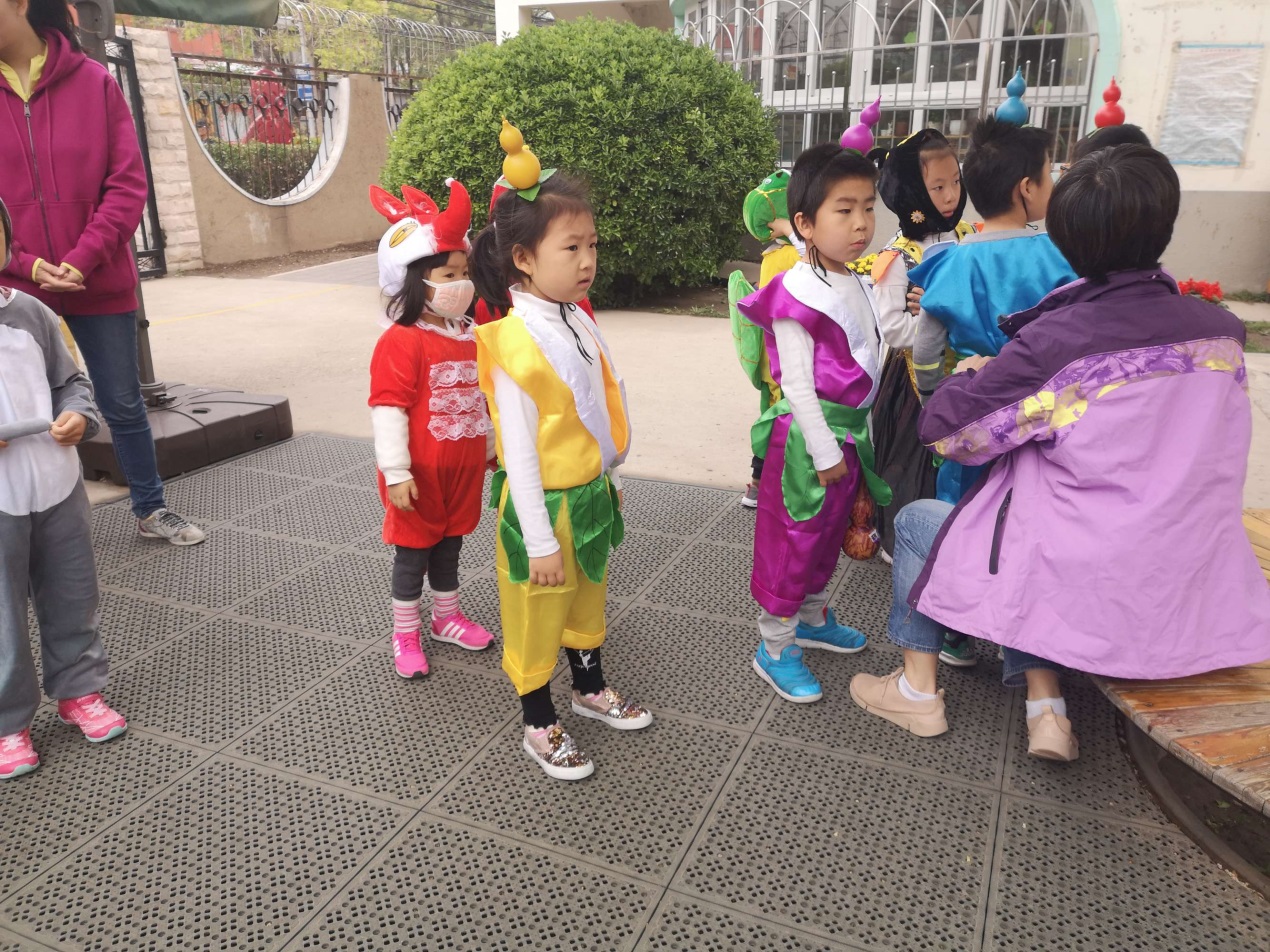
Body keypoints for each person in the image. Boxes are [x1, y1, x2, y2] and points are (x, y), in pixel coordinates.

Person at [850, 144, 1270, 761]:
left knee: (928, 522)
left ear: (1067, 237)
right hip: (1192, 572)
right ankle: (1045, 707)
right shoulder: (1223, 334)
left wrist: (974, 374)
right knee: (1031, 512)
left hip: (1085, 570)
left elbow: (946, 431)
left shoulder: (1053, 339)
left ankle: (917, 689)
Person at [471, 149, 651, 781]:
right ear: (524, 259)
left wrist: (609, 478)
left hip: (589, 496)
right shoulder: (514, 342)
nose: (587, 260)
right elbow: (518, 452)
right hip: (542, 508)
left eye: (592, 245)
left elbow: (595, 409)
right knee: (536, 612)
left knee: (586, 600)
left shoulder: (575, 318)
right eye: (571, 248)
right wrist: (540, 539)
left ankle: (588, 687)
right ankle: (538, 720)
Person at [0, 0, 203, 545]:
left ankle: (151, 508)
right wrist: (25, 263)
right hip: (16, 290)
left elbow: (127, 182)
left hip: (98, 278)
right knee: (21, 409)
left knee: (121, 402)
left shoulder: (94, 82)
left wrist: (83, 257)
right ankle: (37, 527)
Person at [736, 133, 893, 704]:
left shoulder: (858, 279)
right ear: (804, 223)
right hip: (808, 443)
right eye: (844, 210)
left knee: (826, 535)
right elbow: (797, 384)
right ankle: (775, 646)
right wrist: (825, 450)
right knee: (793, 540)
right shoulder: (795, 291)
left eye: (868, 207)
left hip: (848, 436)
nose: (861, 223)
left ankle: (812, 616)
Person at [0, 196, 127, 780]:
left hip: (55, 483)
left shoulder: (32, 312)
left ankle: (79, 689)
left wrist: (79, 415)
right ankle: (8, 720)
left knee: (72, 591)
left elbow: (72, 382)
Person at [368, 181, 497, 680]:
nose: (461, 283)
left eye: (464, 273)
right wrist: (396, 472)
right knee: (412, 554)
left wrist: (492, 452)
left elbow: (481, 401)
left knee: (450, 545)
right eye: (448, 275)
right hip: (418, 475)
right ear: (413, 282)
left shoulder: (470, 336)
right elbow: (389, 409)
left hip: (462, 470)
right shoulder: (401, 341)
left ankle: (446, 617)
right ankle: (405, 633)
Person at [868, 129, 974, 561]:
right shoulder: (898, 257)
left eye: (955, 182)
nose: (951, 196)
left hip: (965, 374)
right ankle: (903, 543)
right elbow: (893, 330)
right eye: (937, 187)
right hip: (913, 384)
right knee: (910, 460)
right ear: (911, 191)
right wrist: (939, 321)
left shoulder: (969, 237)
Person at [729, 170, 805, 508]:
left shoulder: (774, 257)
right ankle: (767, 485)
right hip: (787, 357)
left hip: (772, 358)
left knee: (772, 415)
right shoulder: (789, 256)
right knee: (784, 419)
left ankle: (759, 484)